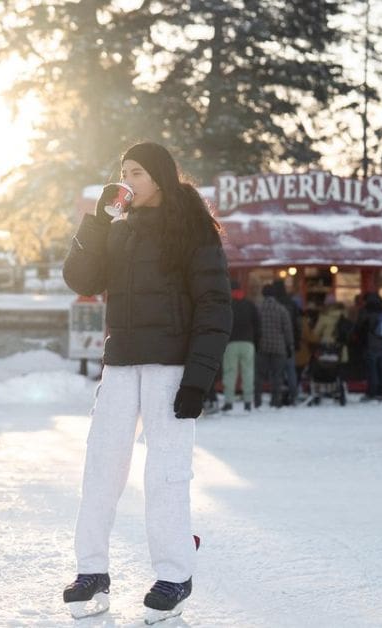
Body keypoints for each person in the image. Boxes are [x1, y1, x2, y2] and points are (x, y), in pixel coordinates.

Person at [61, 142, 232, 623]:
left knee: (166, 475)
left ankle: (175, 572)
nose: (128, 180)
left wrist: (198, 379)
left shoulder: (193, 230)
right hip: (120, 366)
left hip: (171, 369)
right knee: (102, 468)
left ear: (159, 175)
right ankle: (91, 571)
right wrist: (95, 223)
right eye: (123, 172)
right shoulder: (120, 229)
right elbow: (79, 277)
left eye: (136, 172)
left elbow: (215, 307)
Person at [220, 280, 259, 412]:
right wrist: (255, 342)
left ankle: (228, 402)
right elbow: (258, 325)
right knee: (248, 373)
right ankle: (248, 402)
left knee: (230, 373)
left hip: (231, 343)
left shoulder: (227, 305)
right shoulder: (249, 304)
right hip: (248, 343)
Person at [257, 283, 294, 408]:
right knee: (277, 376)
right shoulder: (281, 309)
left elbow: (255, 328)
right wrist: (289, 346)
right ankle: (276, 401)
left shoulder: (258, 308)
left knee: (259, 376)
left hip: (262, 346)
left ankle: (257, 401)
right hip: (279, 347)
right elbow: (287, 330)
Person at [356, 292, 382, 398]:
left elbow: (359, 326)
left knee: (372, 368)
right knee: (381, 367)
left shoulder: (366, 311)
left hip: (370, 343)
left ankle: (373, 390)